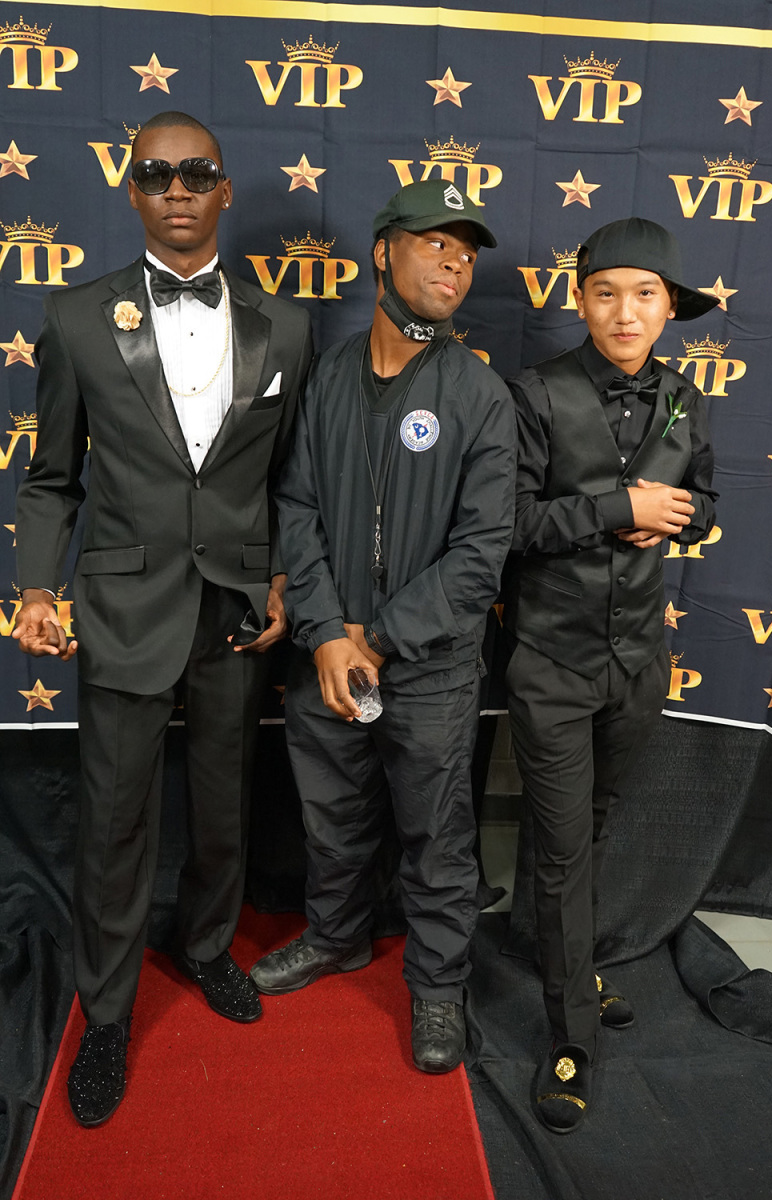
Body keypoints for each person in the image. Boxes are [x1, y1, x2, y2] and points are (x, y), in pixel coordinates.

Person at [12, 111, 312, 1127]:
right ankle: (106, 1013)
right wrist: (39, 588)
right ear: (132, 189)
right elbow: (51, 477)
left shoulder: (287, 327)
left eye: (195, 173)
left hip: (236, 606)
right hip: (123, 604)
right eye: (155, 173)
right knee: (114, 818)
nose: (176, 188)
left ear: (224, 190)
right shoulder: (76, 319)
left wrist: (280, 578)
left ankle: (206, 947)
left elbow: (290, 478)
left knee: (224, 799)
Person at [249, 179, 516, 1074]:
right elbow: (295, 507)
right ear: (382, 251)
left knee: (436, 835)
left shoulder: (479, 395)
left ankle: (437, 986)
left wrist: (377, 639)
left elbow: (481, 555)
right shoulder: (326, 377)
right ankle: (337, 936)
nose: (454, 262)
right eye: (435, 241)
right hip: (326, 657)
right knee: (331, 818)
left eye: (465, 252)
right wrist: (328, 632)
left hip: (428, 666)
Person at [503, 218, 718, 1132]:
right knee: (560, 847)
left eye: (644, 295)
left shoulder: (686, 396)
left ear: (668, 309)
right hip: (551, 664)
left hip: (639, 664)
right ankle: (570, 1039)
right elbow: (510, 525)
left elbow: (706, 503)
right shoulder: (535, 393)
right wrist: (612, 508)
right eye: (606, 293)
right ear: (581, 302)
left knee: (591, 830)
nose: (625, 312)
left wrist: (678, 515)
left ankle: (574, 965)